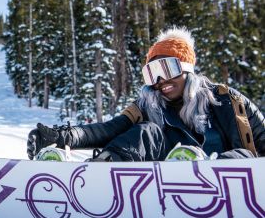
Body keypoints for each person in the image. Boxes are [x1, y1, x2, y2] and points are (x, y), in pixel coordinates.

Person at [27, 27, 265, 162]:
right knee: (146, 132)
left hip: (228, 189)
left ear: (187, 70)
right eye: (152, 74)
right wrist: (61, 137)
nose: (161, 81)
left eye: (168, 69)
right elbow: (108, 129)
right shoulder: (148, 105)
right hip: (162, 187)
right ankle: (101, 171)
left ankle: (194, 168)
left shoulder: (228, 101)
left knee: (241, 156)